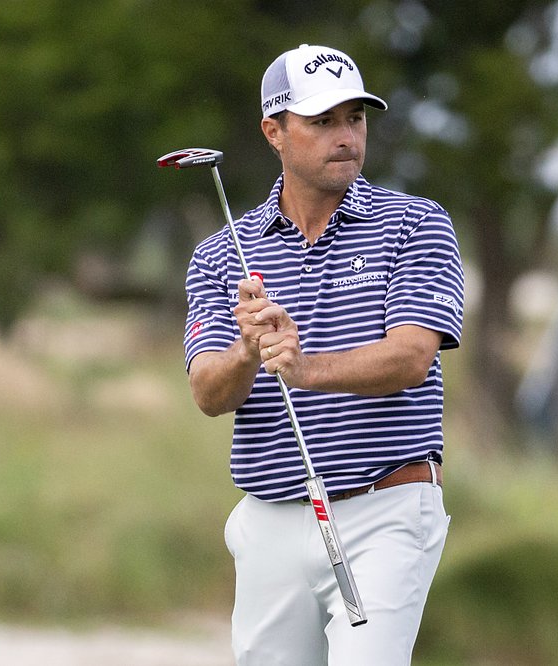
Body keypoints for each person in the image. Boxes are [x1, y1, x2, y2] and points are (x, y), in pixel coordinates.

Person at [182, 43, 464, 665]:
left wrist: (304, 368)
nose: (346, 137)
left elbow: (411, 358)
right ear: (274, 131)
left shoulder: (414, 224)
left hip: (385, 508)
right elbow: (208, 392)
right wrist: (248, 352)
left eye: (355, 119)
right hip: (271, 518)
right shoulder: (221, 254)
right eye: (323, 121)